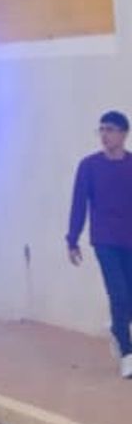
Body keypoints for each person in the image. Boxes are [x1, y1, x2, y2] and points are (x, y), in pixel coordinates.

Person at [66, 109, 132, 376]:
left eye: (110, 130)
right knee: (118, 293)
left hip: (130, 239)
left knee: (128, 297)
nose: (104, 135)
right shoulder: (89, 166)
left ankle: (117, 328)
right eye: (101, 129)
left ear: (123, 134)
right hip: (104, 240)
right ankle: (127, 353)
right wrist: (72, 239)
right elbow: (79, 204)